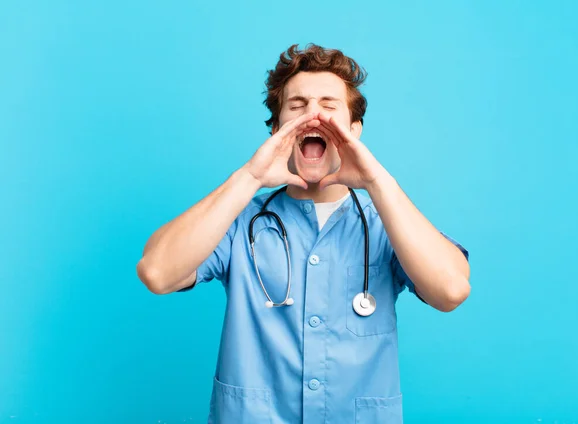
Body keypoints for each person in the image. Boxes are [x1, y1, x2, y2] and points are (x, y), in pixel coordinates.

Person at [137, 43, 470, 424]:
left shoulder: (388, 223)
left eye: (329, 106)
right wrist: (249, 178)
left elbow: (451, 291)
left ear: (353, 130)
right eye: (297, 107)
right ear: (277, 130)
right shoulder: (238, 221)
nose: (313, 115)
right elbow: (157, 272)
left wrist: (377, 180)